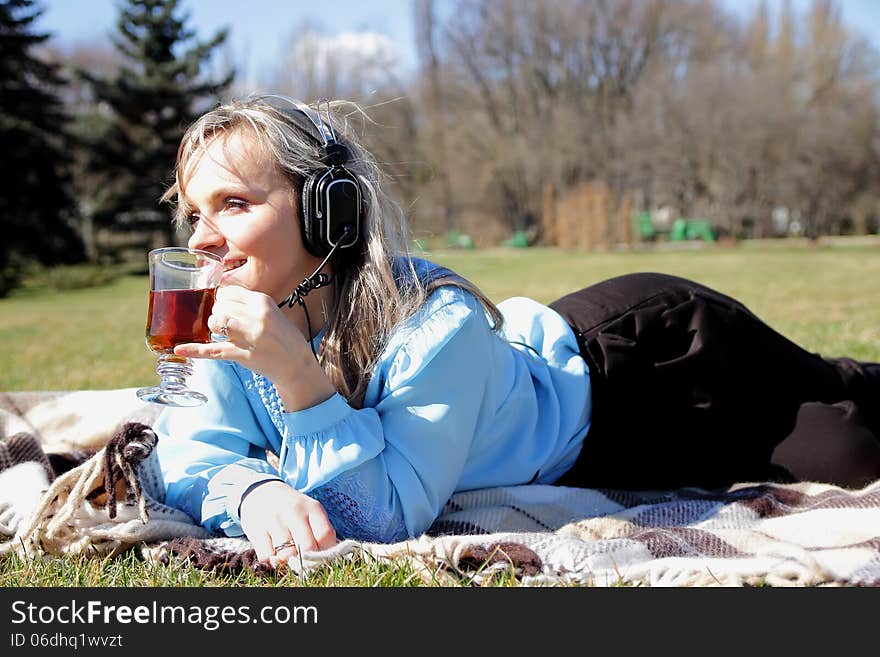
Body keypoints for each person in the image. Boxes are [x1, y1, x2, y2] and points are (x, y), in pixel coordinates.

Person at [150, 93, 880, 566]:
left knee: (849, 434)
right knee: (840, 445)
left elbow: (381, 517)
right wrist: (249, 492)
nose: (203, 237)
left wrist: (298, 381)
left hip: (648, 362)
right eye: (193, 212)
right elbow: (176, 449)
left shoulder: (433, 319)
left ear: (327, 212)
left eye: (234, 204)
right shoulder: (219, 321)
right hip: (596, 452)